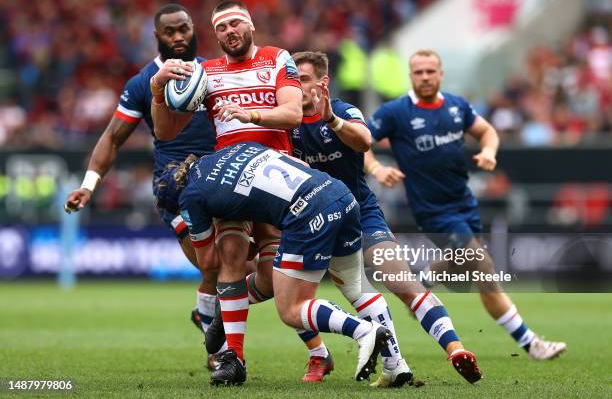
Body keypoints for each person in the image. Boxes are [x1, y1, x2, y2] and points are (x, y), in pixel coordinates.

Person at [290, 51, 481, 385]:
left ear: (322, 82)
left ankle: (455, 349)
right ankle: (329, 356)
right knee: (288, 292)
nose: (295, 85)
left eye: (303, 78)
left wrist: (332, 120)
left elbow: (364, 141)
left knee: (401, 282)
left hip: (360, 214)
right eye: (292, 78)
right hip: (312, 221)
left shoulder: (344, 112)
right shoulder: (286, 122)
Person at [365, 49, 566, 360]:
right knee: (484, 268)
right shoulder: (395, 112)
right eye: (419, 72)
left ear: (440, 74)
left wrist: (489, 151)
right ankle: (531, 344)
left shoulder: (457, 106)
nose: (425, 77)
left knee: (464, 264)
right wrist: (377, 168)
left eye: (431, 71)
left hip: (465, 204)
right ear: (411, 76)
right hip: (432, 210)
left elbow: (487, 131)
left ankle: (423, 281)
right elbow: (360, 141)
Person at [149, 0, 307, 378]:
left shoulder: (276, 58)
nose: (229, 32)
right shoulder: (207, 74)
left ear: (250, 25)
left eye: (235, 23)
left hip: (275, 176)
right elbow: (165, 131)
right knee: (230, 254)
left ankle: (227, 306)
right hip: (230, 176)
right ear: (215, 35)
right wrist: (158, 90)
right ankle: (233, 358)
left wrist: (248, 113)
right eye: (221, 28)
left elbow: (293, 114)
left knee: (270, 278)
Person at [62, 4, 222, 369]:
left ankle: (206, 316)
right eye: (170, 32)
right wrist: (89, 185)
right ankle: (218, 350)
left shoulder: (217, 73)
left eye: (184, 29)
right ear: (158, 37)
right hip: (175, 187)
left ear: (194, 30)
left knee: (232, 268)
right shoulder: (142, 82)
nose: (179, 37)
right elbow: (113, 137)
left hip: (223, 179)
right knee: (211, 266)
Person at [154, 143, 392, 386]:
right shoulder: (236, 149)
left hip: (306, 213)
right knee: (355, 285)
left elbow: (209, 262)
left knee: (291, 308)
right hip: (339, 193)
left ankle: (363, 331)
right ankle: (395, 366)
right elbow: (301, 165)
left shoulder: (190, 196)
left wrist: (236, 245)